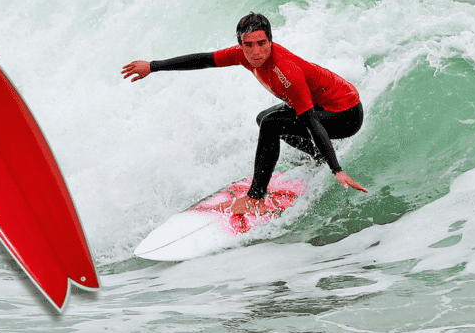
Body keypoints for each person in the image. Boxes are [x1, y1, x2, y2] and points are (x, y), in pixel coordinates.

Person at [121, 12, 367, 215]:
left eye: (262, 44)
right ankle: (316, 156)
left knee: (271, 124)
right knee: (264, 119)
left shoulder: (286, 72)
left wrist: (337, 169)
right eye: (248, 45)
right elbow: (203, 60)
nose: (256, 52)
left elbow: (312, 122)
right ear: (241, 45)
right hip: (323, 104)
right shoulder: (242, 56)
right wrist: (153, 66)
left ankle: (255, 198)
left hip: (345, 114)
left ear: (271, 41)